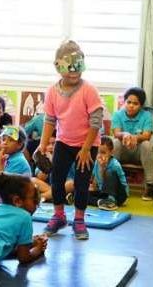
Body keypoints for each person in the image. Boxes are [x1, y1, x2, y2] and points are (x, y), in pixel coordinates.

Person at [37, 40, 103, 240]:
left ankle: (80, 219)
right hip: (63, 143)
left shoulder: (88, 90)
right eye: (69, 67)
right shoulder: (52, 92)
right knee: (56, 180)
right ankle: (59, 216)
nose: (74, 72)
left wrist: (85, 149)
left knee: (81, 183)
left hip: (87, 144)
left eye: (78, 66)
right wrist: (42, 145)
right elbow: (50, 119)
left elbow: (96, 121)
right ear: (58, 66)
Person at [111, 87, 153, 200]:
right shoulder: (118, 114)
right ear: (124, 102)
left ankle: (150, 186)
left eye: (135, 103)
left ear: (141, 105)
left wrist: (134, 137)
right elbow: (116, 133)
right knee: (115, 142)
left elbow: (147, 135)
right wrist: (125, 134)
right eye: (129, 102)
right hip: (123, 150)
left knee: (147, 144)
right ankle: (110, 181)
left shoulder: (146, 115)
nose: (131, 105)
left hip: (138, 153)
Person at [88, 136, 129, 211]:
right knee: (83, 194)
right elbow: (95, 182)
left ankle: (110, 201)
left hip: (119, 194)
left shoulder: (115, 164)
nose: (100, 155)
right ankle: (100, 202)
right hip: (104, 193)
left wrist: (103, 167)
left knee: (109, 173)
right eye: (98, 152)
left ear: (111, 152)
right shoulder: (96, 163)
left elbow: (110, 183)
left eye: (103, 152)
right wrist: (92, 187)